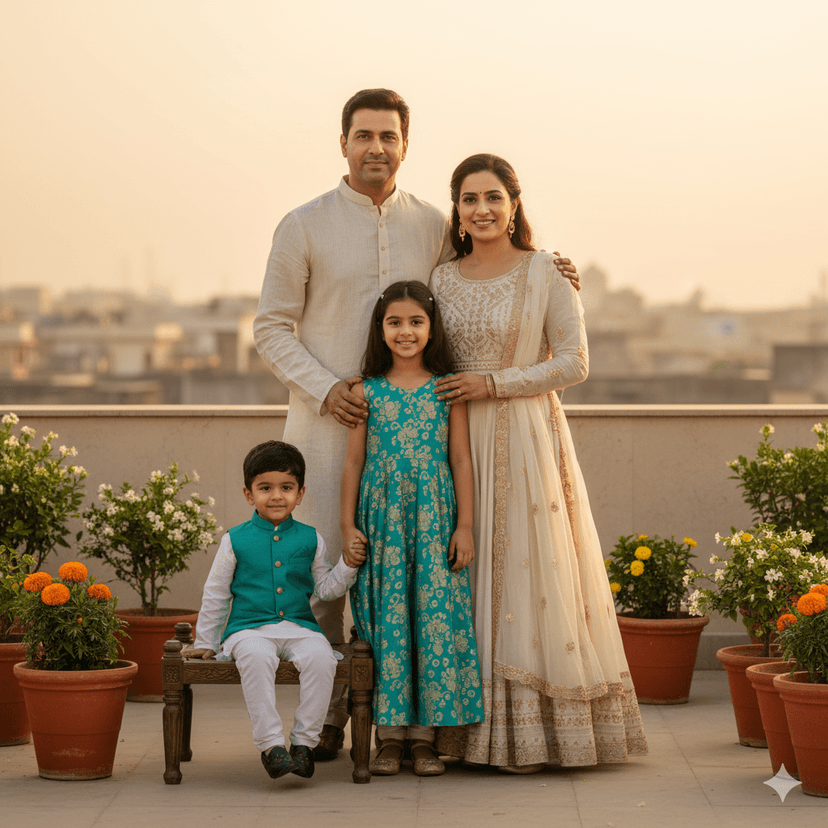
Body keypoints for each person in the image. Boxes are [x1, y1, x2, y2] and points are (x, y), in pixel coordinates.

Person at [253, 88, 580, 760]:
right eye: (364, 135)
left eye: (389, 137)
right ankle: (323, 723)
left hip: (422, 433)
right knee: (329, 584)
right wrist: (328, 388)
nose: (377, 147)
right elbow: (270, 326)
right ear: (342, 142)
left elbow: (479, 272)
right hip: (326, 428)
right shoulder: (303, 224)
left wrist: (553, 269)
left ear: (406, 145)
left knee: (406, 588)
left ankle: (375, 725)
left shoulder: (432, 221)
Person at [429, 154, 648, 773]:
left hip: (524, 433)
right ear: (457, 210)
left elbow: (575, 363)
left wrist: (494, 384)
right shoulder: (442, 278)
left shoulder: (545, 271)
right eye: (469, 199)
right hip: (454, 434)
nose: (482, 210)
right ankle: (461, 729)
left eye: (494, 197)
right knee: (460, 573)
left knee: (529, 574)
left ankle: (534, 733)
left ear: (515, 204)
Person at [340, 281, 484, 777]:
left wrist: (464, 526)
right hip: (382, 523)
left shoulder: (447, 388)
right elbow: (353, 462)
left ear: (431, 327)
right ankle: (388, 737)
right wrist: (346, 527)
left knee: (432, 619)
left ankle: (424, 738)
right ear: (380, 329)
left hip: (434, 520)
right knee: (388, 621)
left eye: (416, 322)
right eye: (394, 322)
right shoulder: (366, 390)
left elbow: (461, 460)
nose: (405, 331)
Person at [186, 441, 361, 780]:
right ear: (249, 494)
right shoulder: (235, 539)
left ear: (300, 493)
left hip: (300, 629)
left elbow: (325, 589)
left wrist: (348, 565)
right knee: (255, 657)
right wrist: (206, 641)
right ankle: (271, 747)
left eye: (286, 487)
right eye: (265, 488)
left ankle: (303, 744)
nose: (277, 496)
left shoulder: (311, 538)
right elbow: (216, 594)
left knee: (322, 659)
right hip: (248, 630)